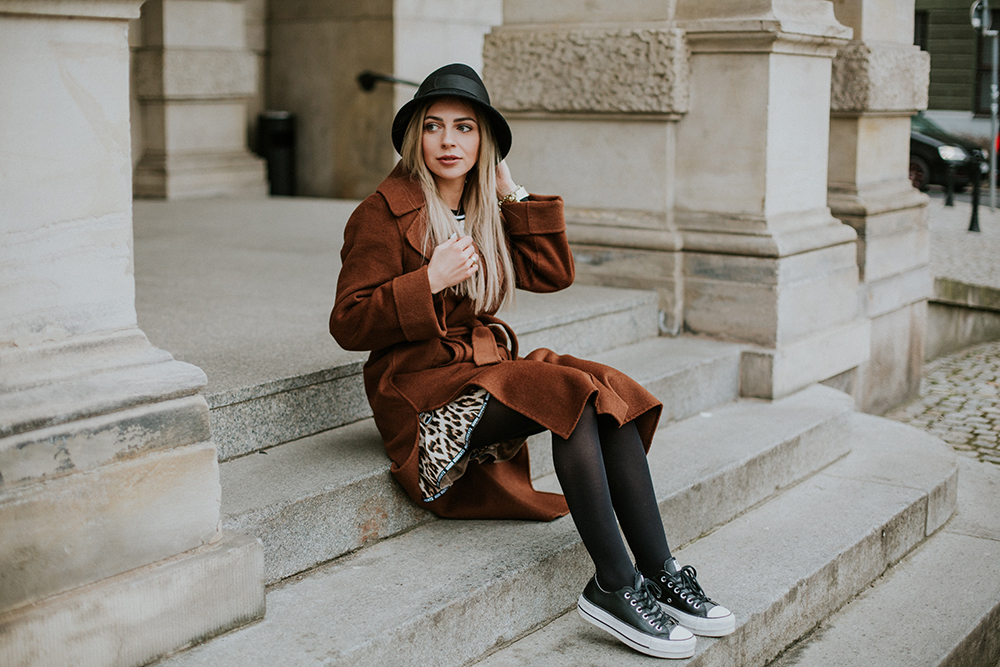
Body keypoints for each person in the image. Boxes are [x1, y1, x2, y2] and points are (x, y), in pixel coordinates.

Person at [330, 63, 734, 659]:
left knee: (607, 388)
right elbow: (347, 322)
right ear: (415, 136)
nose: (448, 142)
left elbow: (553, 273)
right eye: (434, 127)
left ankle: (660, 571)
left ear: (484, 142)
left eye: (465, 129)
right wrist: (427, 281)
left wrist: (511, 194)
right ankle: (614, 587)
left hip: (478, 370)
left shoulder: (484, 203)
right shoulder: (381, 213)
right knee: (572, 399)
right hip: (423, 403)